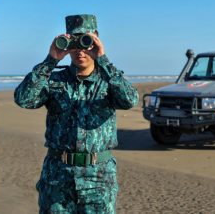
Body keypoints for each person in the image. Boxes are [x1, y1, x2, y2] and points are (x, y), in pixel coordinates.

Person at [14, 14, 139, 213]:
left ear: (96, 41)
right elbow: (24, 99)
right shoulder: (55, 81)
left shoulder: (109, 81)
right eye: (74, 43)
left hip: (98, 178)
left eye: (86, 41)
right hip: (58, 176)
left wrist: (103, 60)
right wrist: (51, 60)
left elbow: (130, 100)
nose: (80, 50)